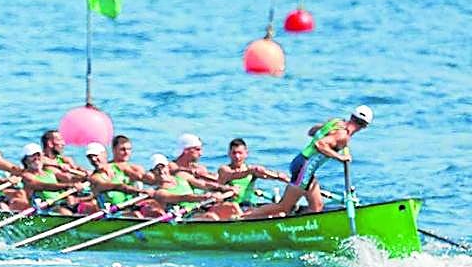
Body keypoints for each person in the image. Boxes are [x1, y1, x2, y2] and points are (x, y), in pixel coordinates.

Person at [243, 106, 373, 219]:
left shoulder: (336, 122)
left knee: (317, 206)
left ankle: (301, 226)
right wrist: (340, 157)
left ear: (351, 116)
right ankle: (244, 218)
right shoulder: (343, 136)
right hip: (304, 168)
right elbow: (319, 144)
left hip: (301, 163)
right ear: (365, 126)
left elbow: (312, 132)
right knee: (284, 206)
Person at [147, 154, 239, 221]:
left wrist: (225, 188)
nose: (161, 171)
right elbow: (183, 198)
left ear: (167, 167)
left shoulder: (182, 175)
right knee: (211, 217)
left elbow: (205, 185)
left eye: (162, 167)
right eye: (156, 169)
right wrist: (204, 197)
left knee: (232, 207)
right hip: (184, 216)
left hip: (201, 208)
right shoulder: (160, 192)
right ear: (152, 172)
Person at [215, 138, 289, 209]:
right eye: (234, 153)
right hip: (230, 207)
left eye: (240, 153)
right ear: (229, 153)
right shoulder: (224, 169)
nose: (237, 156)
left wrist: (279, 176)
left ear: (246, 154)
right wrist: (250, 171)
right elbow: (233, 175)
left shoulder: (252, 170)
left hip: (249, 206)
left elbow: (267, 176)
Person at [14, 143, 82, 214]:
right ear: (25, 160)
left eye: (38, 155)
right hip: (44, 208)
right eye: (32, 156)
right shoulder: (26, 176)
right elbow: (44, 186)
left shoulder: (49, 171)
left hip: (61, 203)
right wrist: (69, 185)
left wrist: (86, 178)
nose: (36, 158)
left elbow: (70, 179)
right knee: (65, 212)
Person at [86, 142, 151, 214]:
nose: (93, 159)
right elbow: (118, 186)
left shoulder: (119, 167)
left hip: (132, 206)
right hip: (112, 213)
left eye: (95, 155)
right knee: (136, 214)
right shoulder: (95, 178)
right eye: (90, 157)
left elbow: (142, 176)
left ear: (105, 154)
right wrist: (141, 191)